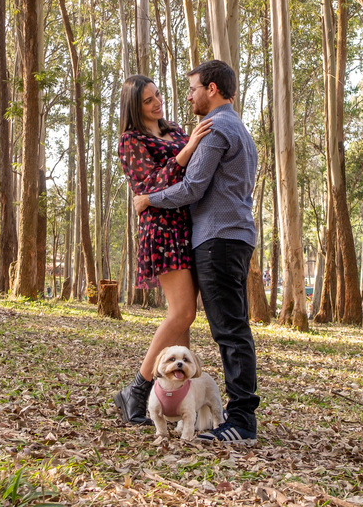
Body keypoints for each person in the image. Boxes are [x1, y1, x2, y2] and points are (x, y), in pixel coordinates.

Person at [135, 60, 259, 444]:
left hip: (218, 239)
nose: (187, 96)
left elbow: (192, 187)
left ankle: (240, 421)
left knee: (230, 330)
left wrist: (147, 199)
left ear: (212, 90)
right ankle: (234, 417)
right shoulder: (238, 127)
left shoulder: (217, 128)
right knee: (232, 327)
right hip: (233, 235)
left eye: (192, 89)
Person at [112, 75, 214, 427]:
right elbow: (150, 185)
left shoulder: (174, 129)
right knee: (182, 312)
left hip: (188, 225)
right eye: (147, 101)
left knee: (185, 320)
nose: (157, 103)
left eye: (158, 95)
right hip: (162, 229)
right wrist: (186, 152)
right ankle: (137, 388)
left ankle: (177, 402)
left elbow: (196, 169)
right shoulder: (130, 141)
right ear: (133, 108)